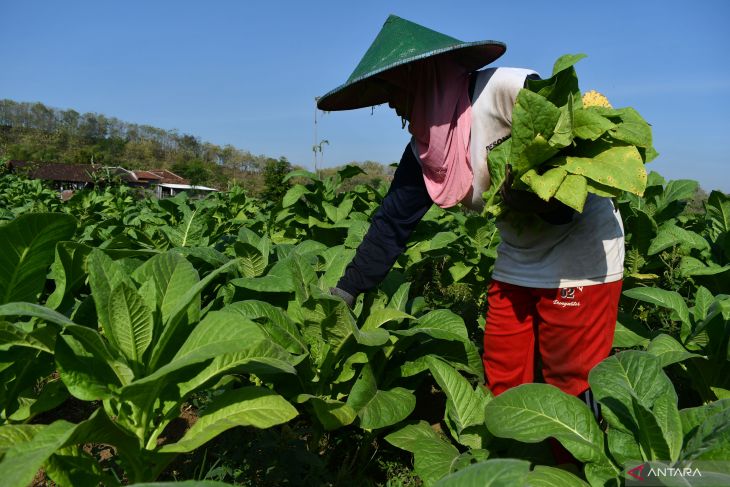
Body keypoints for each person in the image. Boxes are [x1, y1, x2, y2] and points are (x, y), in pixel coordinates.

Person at [319, 15, 623, 422]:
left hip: (581, 257)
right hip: (519, 255)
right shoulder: (428, 148)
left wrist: (535, 193)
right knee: (502, 376)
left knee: (568, 384)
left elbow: (573, 176)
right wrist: (345, 292)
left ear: (421, 76)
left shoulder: (506, 90)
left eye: (392, 90)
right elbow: (392, 224)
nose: (390, 104)